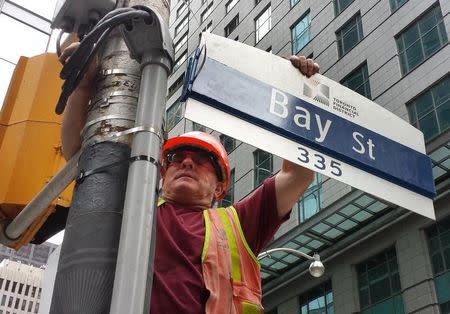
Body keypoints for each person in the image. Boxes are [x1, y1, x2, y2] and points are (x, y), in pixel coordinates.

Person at [59, 42, 319, 313]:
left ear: (219, 187)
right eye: (176, 158)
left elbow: (298, 174)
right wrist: (82, 86)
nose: (186, 162)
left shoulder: (239, 223)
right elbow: (80, 156)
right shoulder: (134, 209)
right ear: (162, 172)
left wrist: (299, 95)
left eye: (202, 160)